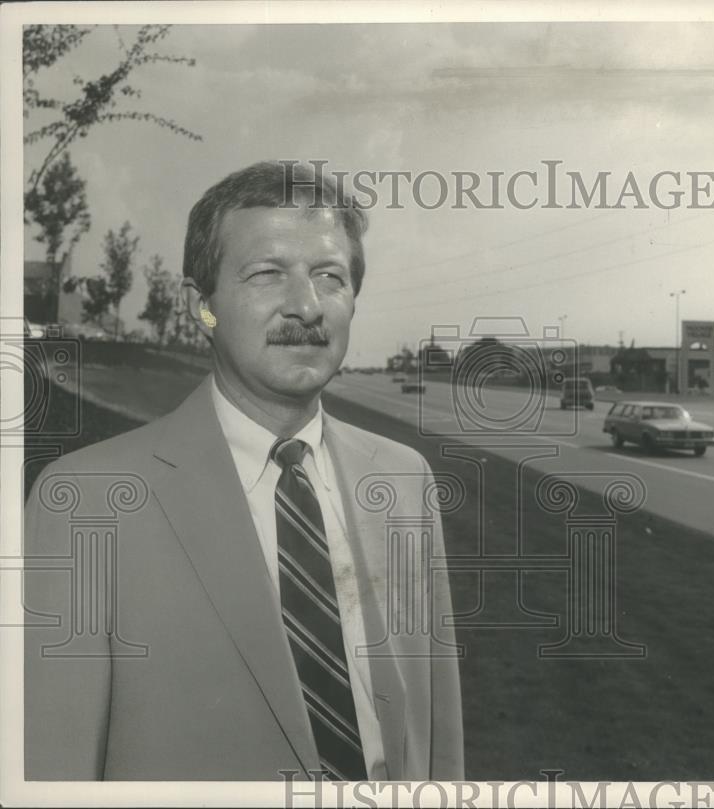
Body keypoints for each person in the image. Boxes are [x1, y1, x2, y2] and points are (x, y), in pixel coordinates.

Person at [22, 161, 463, 781]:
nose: (306, 306)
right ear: (202, 306)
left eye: (330, 277)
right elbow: (52, 769)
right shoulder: (83, 502)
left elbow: (436, 736)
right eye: (267, 274)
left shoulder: (405, 480)